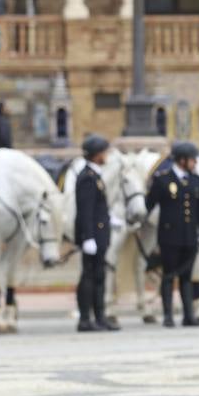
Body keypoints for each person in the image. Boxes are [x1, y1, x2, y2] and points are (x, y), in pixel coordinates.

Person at [146, 142, 199, 328]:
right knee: (168, 275)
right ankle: (168, 315)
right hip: (169, 237)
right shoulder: (163, 179)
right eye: (192, 159)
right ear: (182, 160)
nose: (195, 163)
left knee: (186, 277)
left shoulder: (195, 180)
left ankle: (188, 315)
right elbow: (149, 204)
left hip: (190, 236)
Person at [76, 134, 121, 332]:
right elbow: (85, 211)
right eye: (104, 152)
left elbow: (97, 208)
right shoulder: (87, 178)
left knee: (99, 276)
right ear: (96, 155)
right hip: (93, 236)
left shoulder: (95, 175)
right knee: (89, 277)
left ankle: (100, 316)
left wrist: (110, 219)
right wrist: (88, 237)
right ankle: (86, 318)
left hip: (99, 233)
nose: (106, 156)